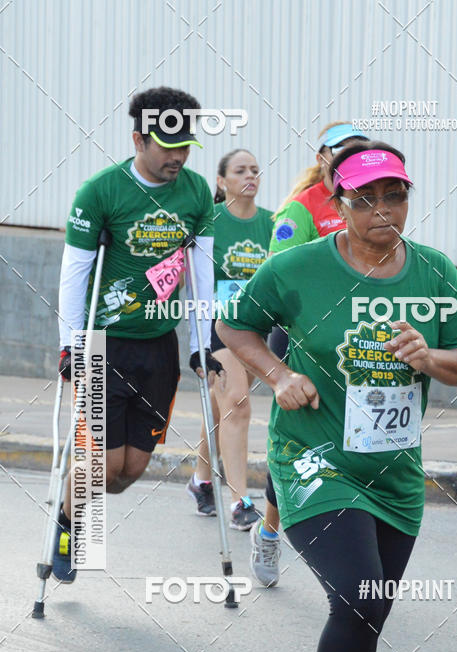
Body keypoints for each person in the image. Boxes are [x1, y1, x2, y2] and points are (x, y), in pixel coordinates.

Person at [217, 141, 457, 652]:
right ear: (337, 204)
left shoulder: (433, 273)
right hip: (315, 461)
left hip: (394, 473)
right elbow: (235, 323)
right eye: (364, 198)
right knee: (362, 597)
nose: (381, 210)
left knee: (365, 614)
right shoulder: (298, 268)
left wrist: (430, 356)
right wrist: (278, 376)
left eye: (394, 195)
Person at [53, 86, 217, 582]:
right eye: (168, 146)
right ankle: (68, 526)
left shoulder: (195, 193)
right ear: (138, 140)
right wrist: (70, 344)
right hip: (105, 342)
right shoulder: (101, 191)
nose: (178, 156)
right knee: (101, 465)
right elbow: (74, 273)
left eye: (185, 145)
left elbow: (202, 271)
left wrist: (201, 344)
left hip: (159, 347)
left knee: (129, 473)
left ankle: (76, 494)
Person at [250, 122, 369, 586]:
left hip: (358, 342)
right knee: (296, 445)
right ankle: (269, 530)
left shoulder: (371, 201)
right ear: (323, 159)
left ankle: (358, 541)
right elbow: (278, 278)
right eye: (342, 155)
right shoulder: (301, 209)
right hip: (301, 340)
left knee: (357, 442)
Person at [187, 149, 273, 530]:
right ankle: (240, 501)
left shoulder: (273, 223)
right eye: (240, 171)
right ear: (221, 181)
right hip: (218, 326)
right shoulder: (210, 222)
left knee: (224, 406)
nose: (250, 176)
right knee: (237, 404)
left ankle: (200, 479)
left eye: (255, 170)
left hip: (258, 329)